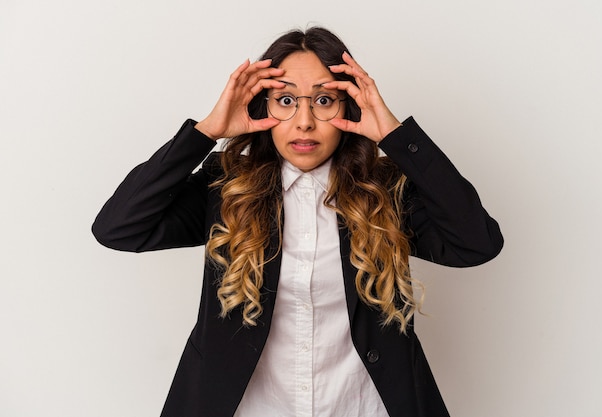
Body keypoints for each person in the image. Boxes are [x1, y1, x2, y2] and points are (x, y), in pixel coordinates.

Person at [92, 27, 503, 417]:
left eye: (324, 100)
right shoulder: (226, 187)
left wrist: (397, 137)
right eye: (286, 100)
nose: (304, 122)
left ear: (349, 106)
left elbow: (477, 243)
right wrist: (205, 133)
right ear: (262, 106)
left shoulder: (385, 192)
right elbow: (120, 228)